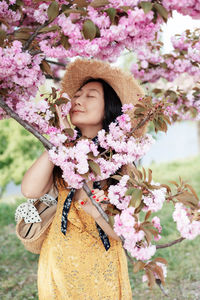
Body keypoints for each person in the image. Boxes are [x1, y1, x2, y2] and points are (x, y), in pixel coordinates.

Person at [21, 58, 145, 300]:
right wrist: (59, 140)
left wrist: (98, 211)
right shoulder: (61, 154)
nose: (78, 100)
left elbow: (127, 234)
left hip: (101, 267)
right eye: (77, 95)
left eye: (90, 96)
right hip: (57, 264)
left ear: (109, 107)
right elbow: (30, 190)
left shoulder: (120, 163)